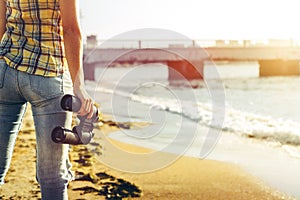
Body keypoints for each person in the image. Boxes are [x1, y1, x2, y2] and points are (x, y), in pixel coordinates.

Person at [0, 0, 94, 199]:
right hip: (48, 75)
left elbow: (1, 23)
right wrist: (79, 87)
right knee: (52, 177)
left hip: (6, 72)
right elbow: (70, 30)